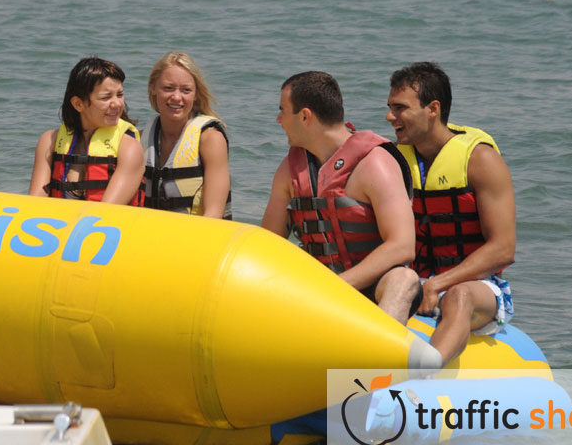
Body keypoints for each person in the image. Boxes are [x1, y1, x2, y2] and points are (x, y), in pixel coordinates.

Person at [261, 72, 422, 325]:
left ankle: (379, 356)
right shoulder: (290, 171)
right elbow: (267, 245)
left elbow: (402, 246)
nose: (278, 119)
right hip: (318, 289)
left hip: (372, 289)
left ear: (304, 116)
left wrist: (337, 286)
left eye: (283, 110)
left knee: (404, 279)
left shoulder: (374, 164)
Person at [386, 62, 516, 366]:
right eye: (390, 107)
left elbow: (503, 248)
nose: (390, 117)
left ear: (433, 109)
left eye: (400, 108)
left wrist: (437, 284)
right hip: (413, 280)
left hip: (478, 287)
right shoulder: (393, 161)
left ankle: (425, 375)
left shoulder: (481, 160)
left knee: (459, 296)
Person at [29, 57, 145, 205]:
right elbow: (35, 202)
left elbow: (108, 211)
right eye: (106, 97)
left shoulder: (129, 149)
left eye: (120, 95)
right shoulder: (49, 141)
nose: (117, 104)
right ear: (78, 104)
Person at [143, 52, 231, 219]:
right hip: (149, 236)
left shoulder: (210, 139)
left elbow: (214, 213)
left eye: (186, 90)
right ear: (153, 88)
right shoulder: (141, 139)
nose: (176, 97)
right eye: (168, 88)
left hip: (195, 237)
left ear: (196, 93)